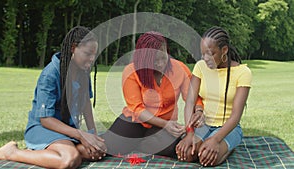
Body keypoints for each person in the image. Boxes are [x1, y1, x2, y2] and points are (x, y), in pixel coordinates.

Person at [0, 26, 106, 169]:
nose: (91, 59)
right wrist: (80, 135)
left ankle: (58, 150)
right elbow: (45, 119)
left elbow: (85, 104)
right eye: (87, 54)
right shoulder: (50, 74)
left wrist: (93, 135)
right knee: (69, 160)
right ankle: (11, 152)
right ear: (73, 48)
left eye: (94, 55)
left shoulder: (83, 71)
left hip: (67, 130)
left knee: (96, 152)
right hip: (43, 129)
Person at [101, 31, 203, 158]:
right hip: (135, 122)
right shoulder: (131, 71)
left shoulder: (180, 69)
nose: (160, 63)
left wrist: (199, 110)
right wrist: (165, 124)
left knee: (178, 151)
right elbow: (137, 110)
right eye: (155, 61)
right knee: (106, 148)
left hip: (164, 125)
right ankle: (138, 141)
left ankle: (137, 143)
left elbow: (192, 99)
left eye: (163, 57)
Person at [176, 26, 252, 166]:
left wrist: (216, 139)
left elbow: (236, 114)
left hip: (228, 128)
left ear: (224, 50)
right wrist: (190, 133)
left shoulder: (243, 72)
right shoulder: (200, 67)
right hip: (204, 126)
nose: (205, 59)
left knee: (207, 157)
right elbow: (190, 102)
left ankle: (227, 147)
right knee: (186, 153)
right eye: (203, 54)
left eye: (210, 54)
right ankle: (210, 144)